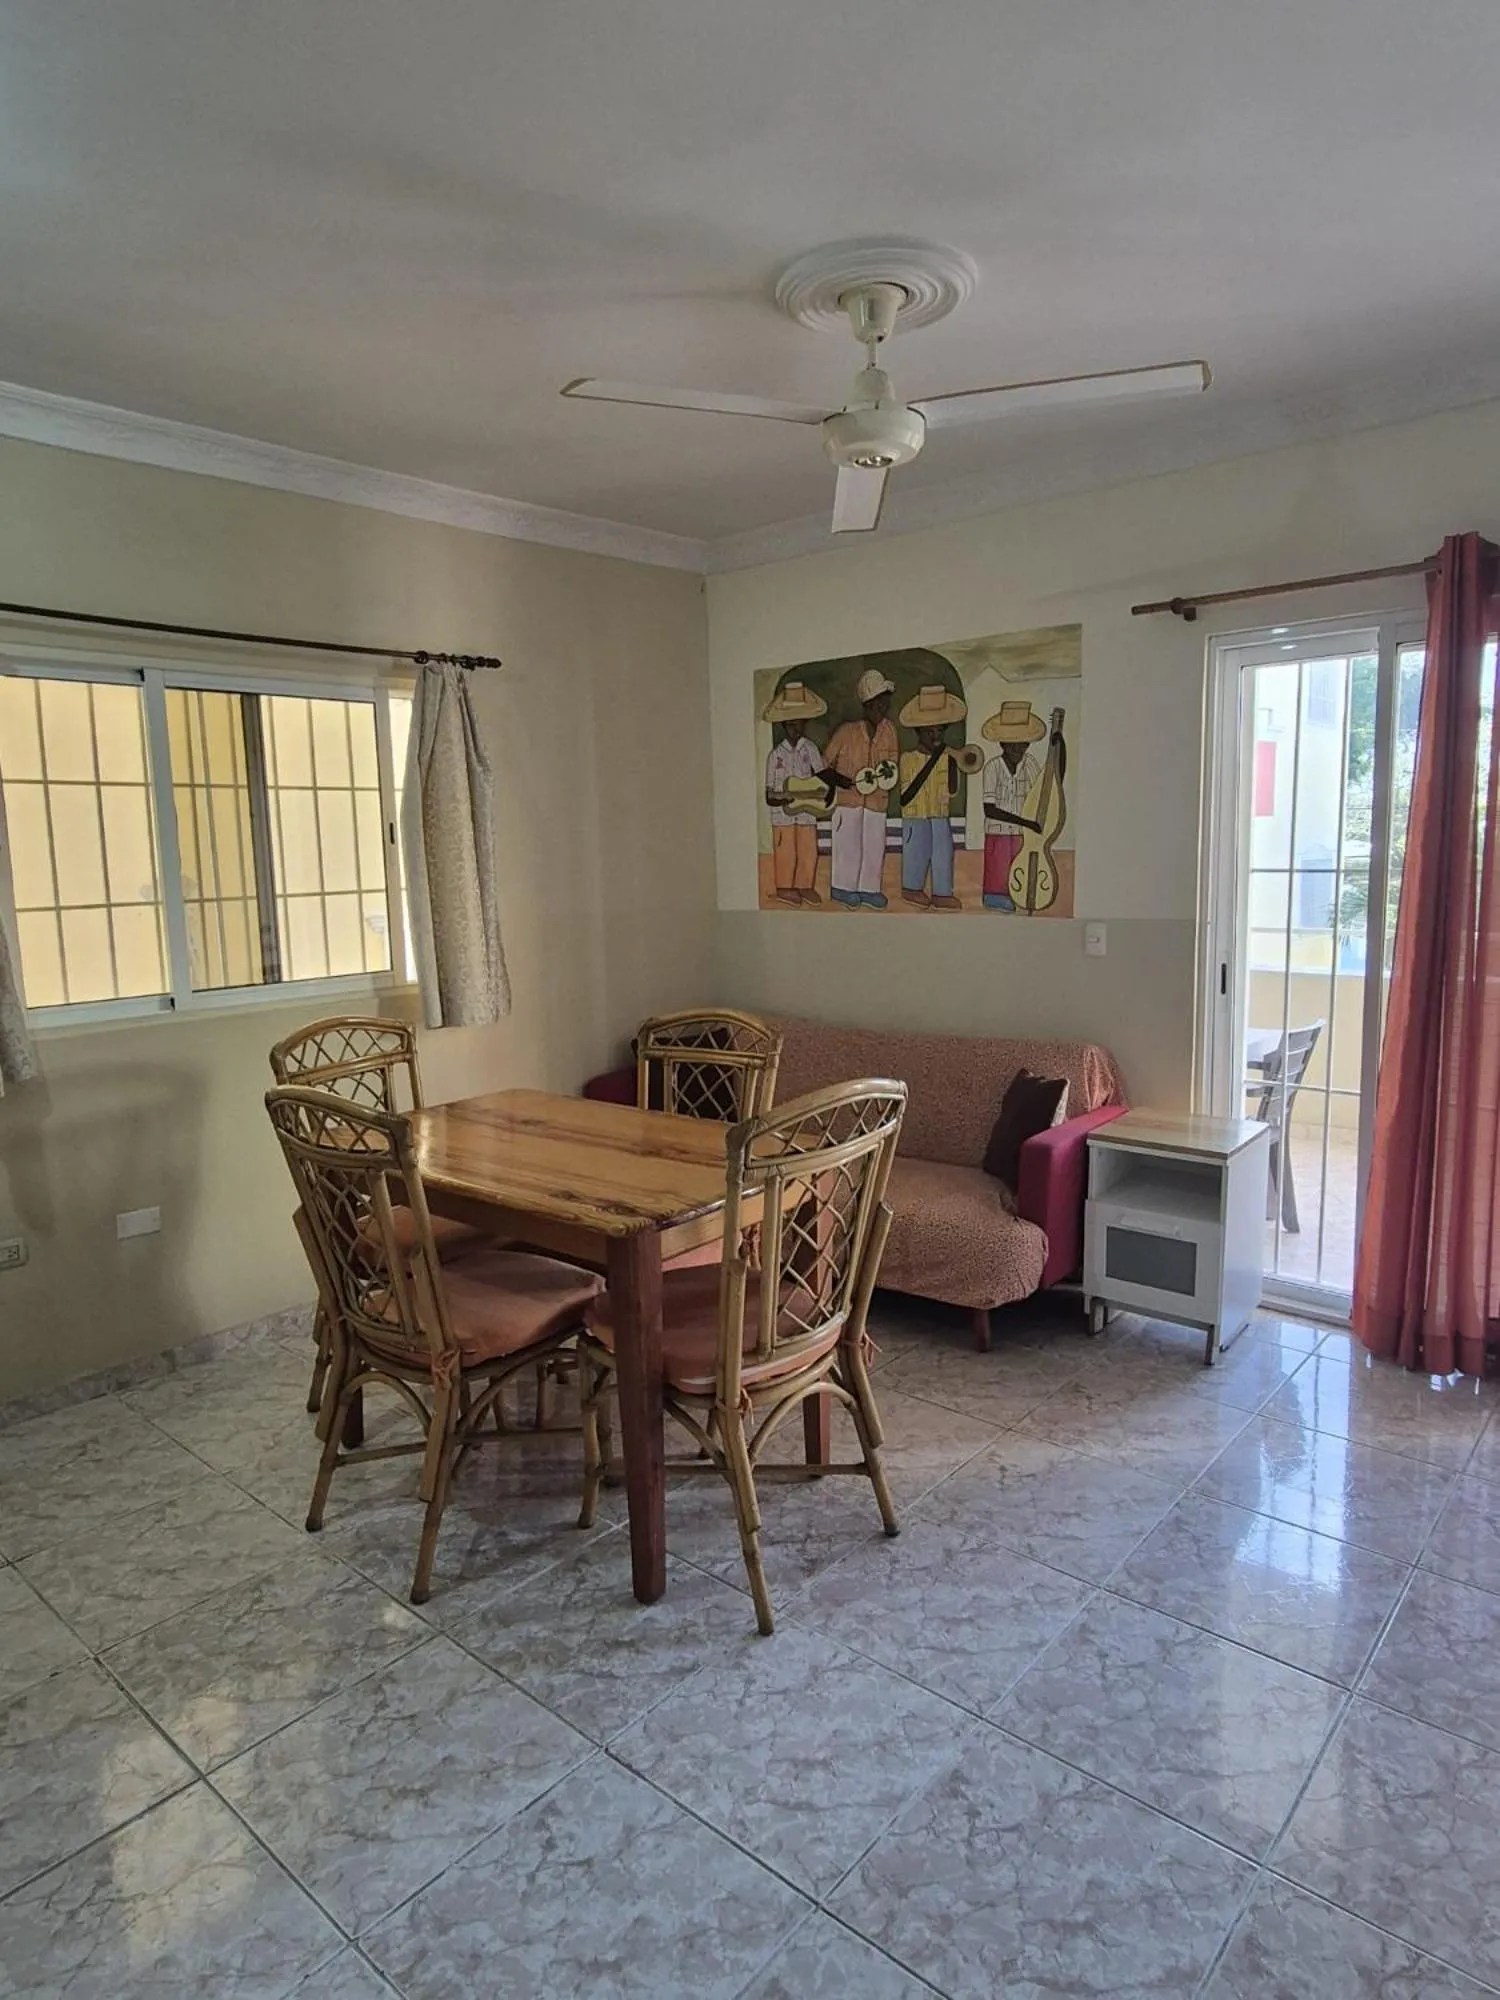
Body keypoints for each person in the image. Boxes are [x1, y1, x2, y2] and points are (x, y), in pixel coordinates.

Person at [820, 667, 899, 908]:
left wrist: (885, 775)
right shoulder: (846, 732)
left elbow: (893, 763)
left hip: (877, 801)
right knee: (848, 844)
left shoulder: (890, 731)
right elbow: (823, 764)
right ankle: (842, 888)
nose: (881, 710)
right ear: (866, 706)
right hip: (848, 802)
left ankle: (869, 889)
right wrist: (842, 781)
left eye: (885, 704)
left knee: (874, 845)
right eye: (876, 705)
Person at [980, 699, 1057, 911]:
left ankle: (1019, 894)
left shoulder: (1030, 764)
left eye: (1023, 743)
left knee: (1019, 867)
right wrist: (1026, 821)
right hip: (998, 831)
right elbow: (989, 809)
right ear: (1002, 743)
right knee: (998, 867)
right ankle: (995, 897)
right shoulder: (992, 768)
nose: (1018, 748)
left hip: (1023, 833)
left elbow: (1044, 789)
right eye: (1012, 743)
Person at [896, 683, 967, 908]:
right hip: (915, 816)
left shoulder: (947, 757)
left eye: (939, 731)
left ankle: (942, 892)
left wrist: (955, 762)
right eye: (930, 732)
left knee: (943, 852)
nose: (936, 736)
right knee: (916, 851)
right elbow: (906, 796)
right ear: (918, 731)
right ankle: (912, 888)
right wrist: (936, 758)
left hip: (939, 813)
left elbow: (953, 789)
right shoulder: (907, 759)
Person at [762, 680, 828, 905]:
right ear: (783, 724)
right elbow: (769, 793)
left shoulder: (810, 749)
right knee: (785, 848)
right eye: (791, 724)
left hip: (807, 810)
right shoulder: (775, 756)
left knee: (808, 848)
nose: (795, 729)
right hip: (782, 813)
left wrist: (819, 794)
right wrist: (784, 798)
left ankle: (805, 885)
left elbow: (822, 777)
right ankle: (784, 887)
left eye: (799, 723)